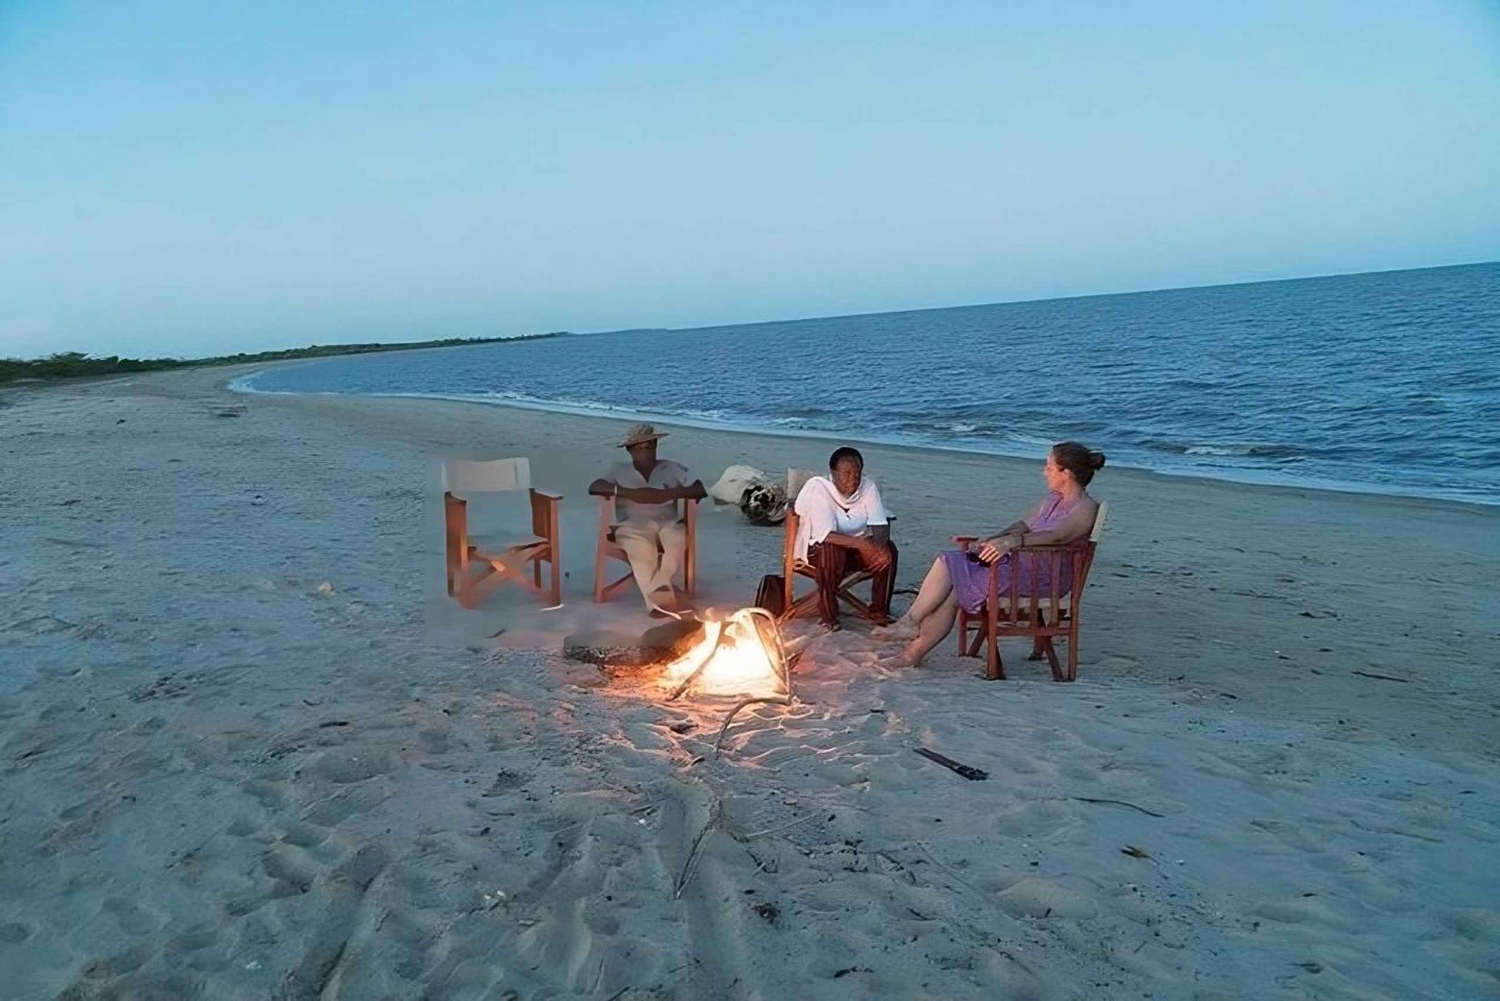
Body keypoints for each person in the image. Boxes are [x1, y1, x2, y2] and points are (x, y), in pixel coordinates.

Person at [888, 442, 1105, 665]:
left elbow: (1060, 536)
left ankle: (910, 638)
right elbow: (1023, 525)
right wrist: (994, 540)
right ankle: (910, 634)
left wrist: (1012, 542)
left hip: (1043, 578)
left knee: (954, 582)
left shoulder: (1085, 507)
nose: (1044, 472)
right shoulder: (1053, 500)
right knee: (950, 564)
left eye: (1049, 467)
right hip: (1018, 568)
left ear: (1065, 472)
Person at [589, 424, 707, 616]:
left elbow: (699, 489)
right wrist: (631, 493)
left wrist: (669, 493)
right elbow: (595, 487)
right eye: (640, 447)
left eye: (650, 446)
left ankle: (660, 594)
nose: (646, 452)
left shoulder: (671, 467)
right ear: (629, 450)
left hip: (667, 523)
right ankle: (659, 606)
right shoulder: (618, 469)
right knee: (642, 550)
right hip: (632, 525)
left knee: (676, 545)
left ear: (656, 446)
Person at [793, 446, 897, 629]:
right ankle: (829, 616)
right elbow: (825, 535)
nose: (853, 479)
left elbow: (879, 524)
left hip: (854, 552)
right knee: (831, 552)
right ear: (833, 473)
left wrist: (879, 548)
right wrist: (863, 546)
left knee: (889, 550)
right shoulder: (820, 489)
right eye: (847, 473)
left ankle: (879, 610)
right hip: (819, 552)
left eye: (857, 473)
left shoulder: (868, 487)